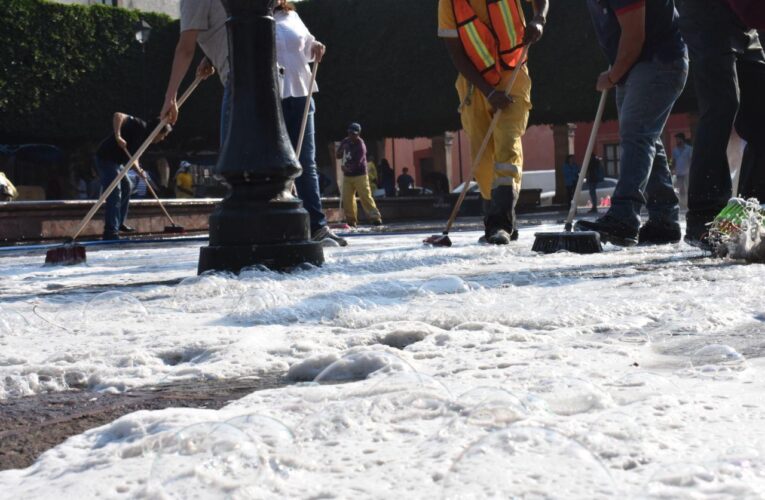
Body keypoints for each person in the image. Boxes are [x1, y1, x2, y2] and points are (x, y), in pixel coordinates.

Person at [575, 0, 688, 246]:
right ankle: (664, 220)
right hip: (637, 65)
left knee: (637, 134)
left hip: (657, 61)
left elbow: (634, 36)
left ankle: (624, 216)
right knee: (647, 138)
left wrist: (612, 76)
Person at [438, 0, 548, 244]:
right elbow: (456, 53)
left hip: (513, 77)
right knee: (483, 156)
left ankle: (500, 223)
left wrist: (538, 19)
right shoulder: (449, 3)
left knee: (507, 142)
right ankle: (498, 219)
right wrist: (488, 92)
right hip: (475, 85)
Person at [678, 0, 765, 249]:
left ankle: (756, 209)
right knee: (722, 103)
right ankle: (705, 216)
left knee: (762, 108)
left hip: (745, 27)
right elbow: (752, 9)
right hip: (707, 17)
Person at [275, 0, 347, 246]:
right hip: (275, 98)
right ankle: (286, 223)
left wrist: (316, 46)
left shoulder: (291, 16)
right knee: (279, 163)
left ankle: (317, 226)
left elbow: (307, 45)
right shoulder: (253, 18)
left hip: (303, 94)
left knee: (307, 161)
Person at [95, 112, 172, 240]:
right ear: (157, 131)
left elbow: (134, 158)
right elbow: (117, 115)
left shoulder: (145, 141)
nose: (162, 139)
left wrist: (139, 170)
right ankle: (110, 231)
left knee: (127, 186)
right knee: (115, 191)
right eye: (163, 135)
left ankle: (119, 223)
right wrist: (118, 136)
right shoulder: (139, 125)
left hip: (117, 163)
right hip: (106, 158)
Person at [160, 0, 226, 140]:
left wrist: (170, 98)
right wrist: (209, 58)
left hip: (241, 82)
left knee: (234, 154)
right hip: (270, 75)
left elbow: (185, 50)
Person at [337, 122, 382, 226]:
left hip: (360, 175)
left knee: (365, 196)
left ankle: (375, 217)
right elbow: (338, 155)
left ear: (358, 134)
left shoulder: (361, 145)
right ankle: (351, 221)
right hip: (348, 176)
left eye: (354, 134)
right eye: (350, 133)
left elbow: (358, 162)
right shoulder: (345, 141)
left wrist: (346, 169)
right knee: (347, 199)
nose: (351, 136)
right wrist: (341, 151)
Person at [671, 132, 692, 208]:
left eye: (678, 139)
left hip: (687, 173)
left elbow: (691, 160)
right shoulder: (675, 150)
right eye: (676, 139)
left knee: (686, 189)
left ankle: (687, 204)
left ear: (682, 139)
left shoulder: (689, 149)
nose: (677, 141)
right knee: (677, 189)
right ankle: (679, 203)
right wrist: (672, 170)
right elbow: (673, 161)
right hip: (678, 173)